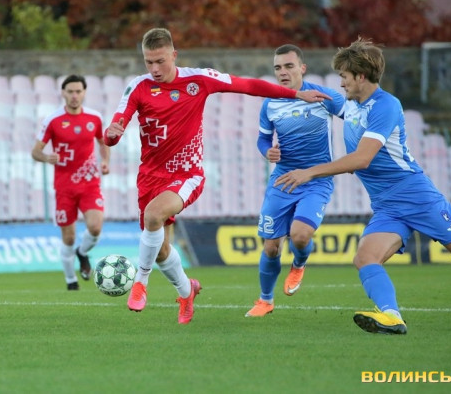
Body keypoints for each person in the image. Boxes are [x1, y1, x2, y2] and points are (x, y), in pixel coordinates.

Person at [275, 38, 451, 334]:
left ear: (360, 76)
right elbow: (300, 90)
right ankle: (391, 316)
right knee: (365, 257)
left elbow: (362, 159)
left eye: (344, 76)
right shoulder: (349, 104)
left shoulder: (386, 106)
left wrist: (309, 173)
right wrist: (290, 86)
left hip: (416, 196)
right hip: (387, 206)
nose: (341, 83)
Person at [104, 27, 330, 324]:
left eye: (160, 61)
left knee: (153, 215)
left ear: (174, 55)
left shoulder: (198, 80)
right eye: (149, 62)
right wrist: (112, 133)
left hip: (188, 173)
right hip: (150, 176)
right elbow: (116, 125)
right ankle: (187, 292)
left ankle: (140, 282)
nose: (155, 69)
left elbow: (247, 85)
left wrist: (295, 94)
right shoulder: (138, 86)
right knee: (161, 250)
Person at [245, 44, 345, 317]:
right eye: (278, 68)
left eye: (289, 66)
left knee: (300, 236)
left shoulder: (323, 97)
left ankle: (299, 264)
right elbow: (263, 138)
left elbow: (355, 118)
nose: (283, 72)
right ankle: (265, 300)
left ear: (302, 68)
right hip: (283, 179)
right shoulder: (270, 103)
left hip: (316, 179)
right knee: (271, 247)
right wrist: (267, 151)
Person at [31, 74, 110, 290]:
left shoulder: (95, 118)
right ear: (63, 93)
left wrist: (105, 161)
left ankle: (82, 253)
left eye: (78, 91)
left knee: (95, 227)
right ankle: (70, 280)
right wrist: (47, 157)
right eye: (70, 92)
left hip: (89, 183)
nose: (74, 96)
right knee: (68, 236)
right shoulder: (53, 120)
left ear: (84, 93)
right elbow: (35, 151)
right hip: (64, 187)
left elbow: (103, 142)